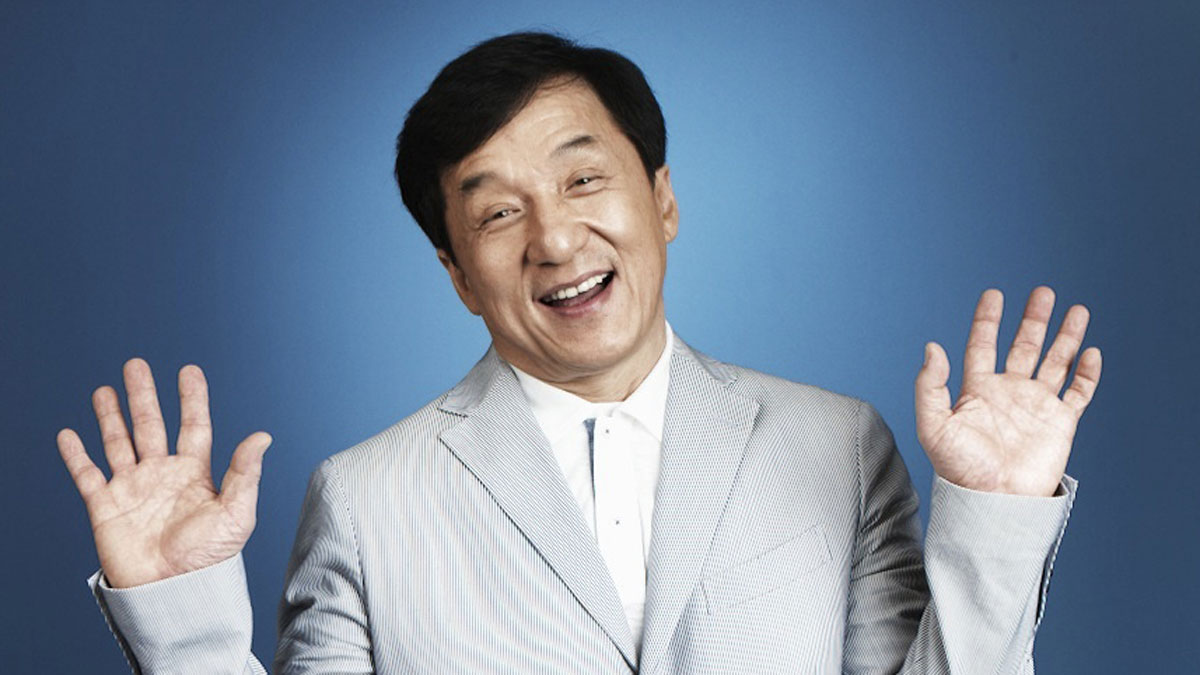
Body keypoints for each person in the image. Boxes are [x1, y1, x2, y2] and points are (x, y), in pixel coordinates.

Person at [58, 32, 1101, 674]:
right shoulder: (365, 499)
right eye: (497, 213)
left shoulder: (838, 444)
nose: (555, 239)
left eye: (583, 179)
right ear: (457, 274)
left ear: (663, 200)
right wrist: (182, 624)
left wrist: (996, 518)